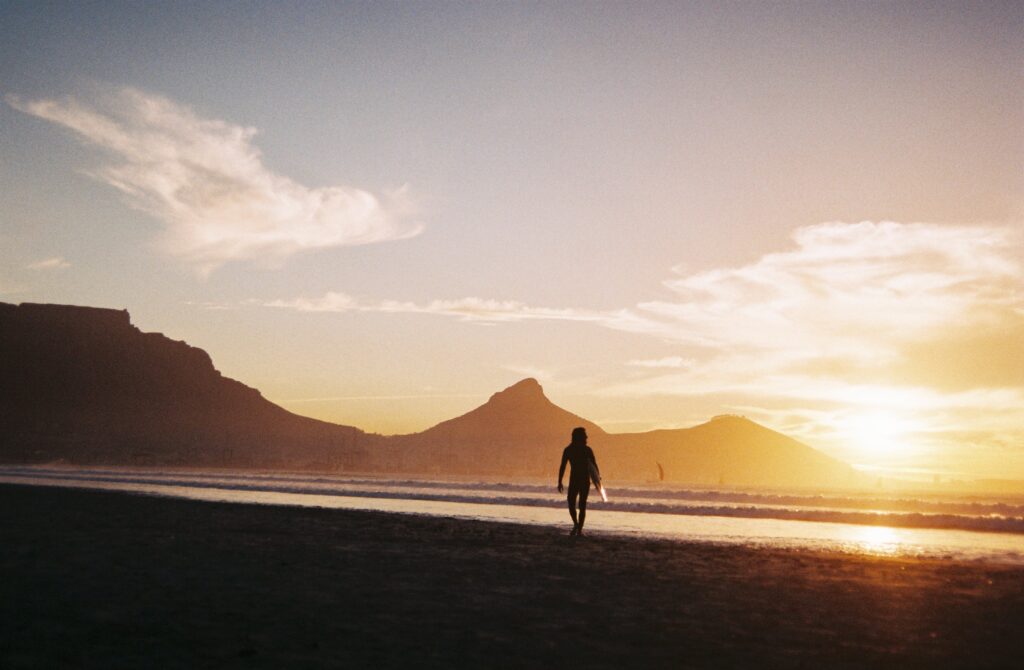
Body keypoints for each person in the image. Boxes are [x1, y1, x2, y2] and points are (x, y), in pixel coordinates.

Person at [557, 426, 598, 536]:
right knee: (571, 503)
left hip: (584, 481)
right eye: (584, 436)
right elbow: (563, 466)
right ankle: (576, 524)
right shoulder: (569, 450)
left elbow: (594, 465)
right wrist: (559, 481)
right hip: (575, 480)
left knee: (582, 505)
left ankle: (579, 529)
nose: (586, 437)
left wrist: (597, 480)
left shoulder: (587, 450)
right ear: (578, 437)